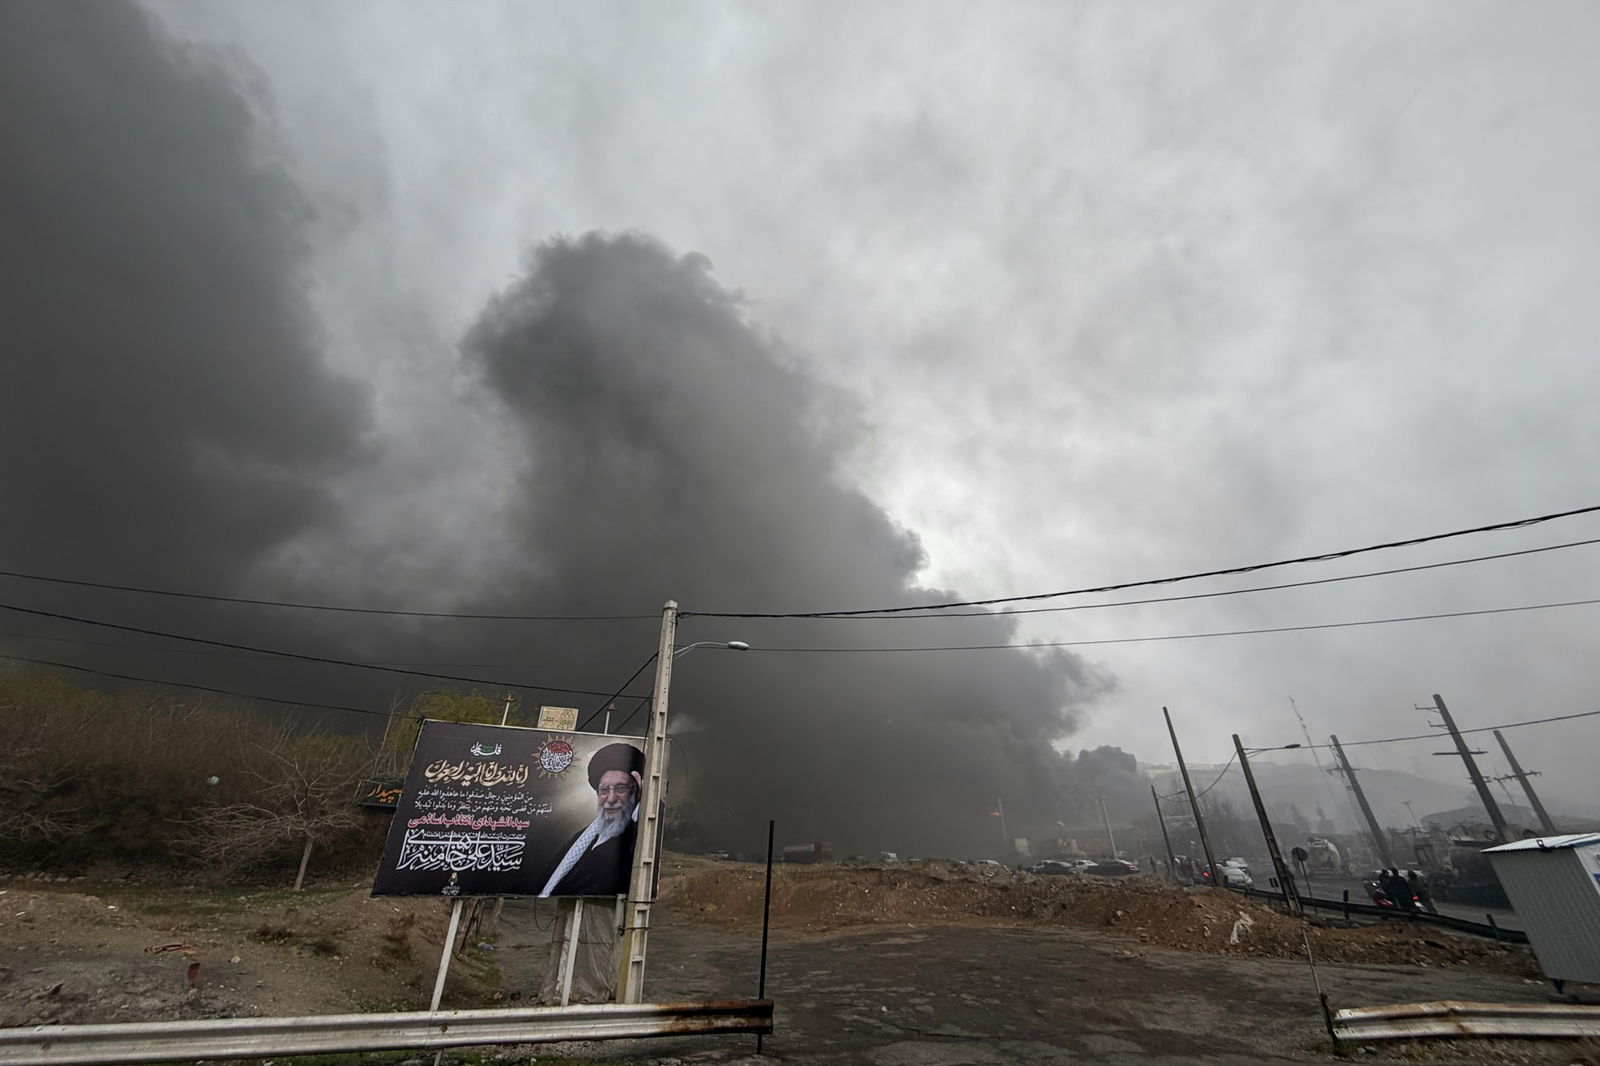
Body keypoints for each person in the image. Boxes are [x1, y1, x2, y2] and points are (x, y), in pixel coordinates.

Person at [537, 743, 644, 897]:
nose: (611, 798)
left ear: (637, 791)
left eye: (621, 788)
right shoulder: (579, 838)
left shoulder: (637, 835)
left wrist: (644, 803)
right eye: (604, 790)